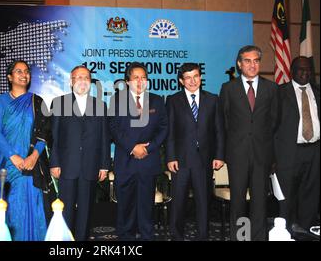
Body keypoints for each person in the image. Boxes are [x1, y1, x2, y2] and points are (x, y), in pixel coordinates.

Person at [220, 45, 278, 241]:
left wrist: (273, 156)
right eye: (247, 60)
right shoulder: (228, 88)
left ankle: (258, 238)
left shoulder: (271, 88)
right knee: (238, 202)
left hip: (263, 156)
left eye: (256, 60)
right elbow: (224, 123)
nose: (252, 65)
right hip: (238, 155)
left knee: (260, 203)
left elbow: (274, 122)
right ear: (239, 63)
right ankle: (241, 238)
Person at [0, 60, 50, 241]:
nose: (24, 74)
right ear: (9, 77)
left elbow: (44, 133)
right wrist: (13, 156)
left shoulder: (37, 101)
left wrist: (34, 156)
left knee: (35, 206)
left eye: (26, 71)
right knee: (12, 208)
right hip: (8, 165)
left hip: (32, 165)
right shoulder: (0, 101)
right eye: (18, 71)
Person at [108, 62, 168, 241]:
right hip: (125, 161)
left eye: (144, 78)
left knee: (146, 205)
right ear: (127, 81)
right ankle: (126, 238)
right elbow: (113, 127)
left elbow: (164, 128)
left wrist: (148, 148)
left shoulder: (157, 100)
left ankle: (147, 237)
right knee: (125, 205)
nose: (140, 81)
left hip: (148, 161)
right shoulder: (117, 100)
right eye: (136, 78)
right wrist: (132, 147)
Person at [50, 65, 110, 241]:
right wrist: (54, 162)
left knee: (85, 211)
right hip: (67, 165)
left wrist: (105, 165)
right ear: (71, 81)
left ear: (90, 82)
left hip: (91, 166)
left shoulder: (100, 105)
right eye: (79, 77)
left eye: (86, 78)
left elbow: (105, 138)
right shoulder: (59, 103)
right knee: (66, 210)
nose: (83, 81)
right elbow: (53, 137)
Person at [166, 63, 225, 240]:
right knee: (178, 202)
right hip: (181, 161)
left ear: (200, 78)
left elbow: (219, 130)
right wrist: (170, 157)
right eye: (188, 78)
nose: (193, 81)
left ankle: (203, 236)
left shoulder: (213, 99)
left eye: (196, 76)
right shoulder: (173, 100)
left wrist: (219, 155)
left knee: (203, 202)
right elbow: (170, 132)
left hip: (204, 160)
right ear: (181, 81)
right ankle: (177, 236)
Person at [275, 56, 320, 235]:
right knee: (286, 193)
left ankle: (306, 227)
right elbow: (271, 126)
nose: (305, 73)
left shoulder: (317, 91)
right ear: (291, 72)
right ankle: (284, 230)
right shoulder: (279, 93)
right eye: (301, 69)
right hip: (288, 151)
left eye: (308, 69)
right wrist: (272, 156)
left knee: (311, 190)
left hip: (314, 150)